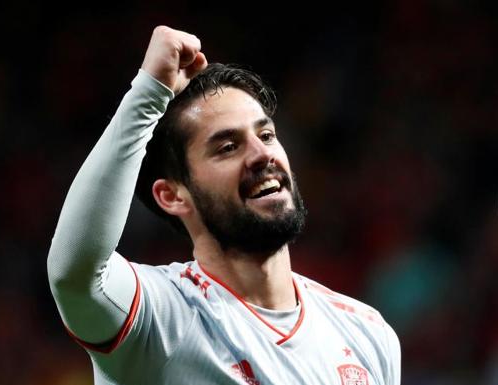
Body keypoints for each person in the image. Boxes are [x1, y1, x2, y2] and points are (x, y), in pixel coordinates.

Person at [47, 25, 401, 385]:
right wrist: (149, 92)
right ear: (172, 195)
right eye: (227, 147)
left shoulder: (366, 332)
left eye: (266, 135)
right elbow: (75, 275)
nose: (262, 154)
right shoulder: (163, 318)